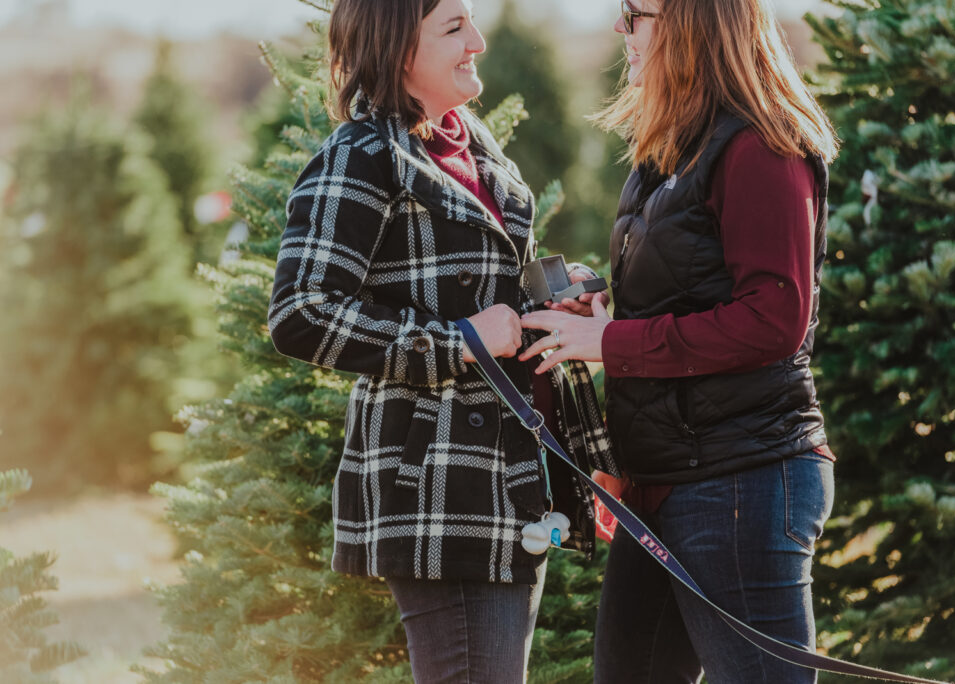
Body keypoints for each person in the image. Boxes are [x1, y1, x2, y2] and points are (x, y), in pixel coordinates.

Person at [266, 0, 616, 681]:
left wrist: (550, 293)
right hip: (439, 487)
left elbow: (476, 290)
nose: (478, 42)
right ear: (399, 49)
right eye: (454, 28)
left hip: (511, 481)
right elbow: (300, 312)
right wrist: (454, 341)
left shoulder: (470, 145)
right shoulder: (363, 156)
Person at [519, 0, 840, 681]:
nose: (619, 28)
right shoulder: (669, 151)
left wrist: (610, 342)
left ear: (692, 21)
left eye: (635, 12)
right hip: (664, 485)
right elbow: (694, 289)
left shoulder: (761, 145)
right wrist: (603, 305)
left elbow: (772, 320)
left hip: (742, 485)